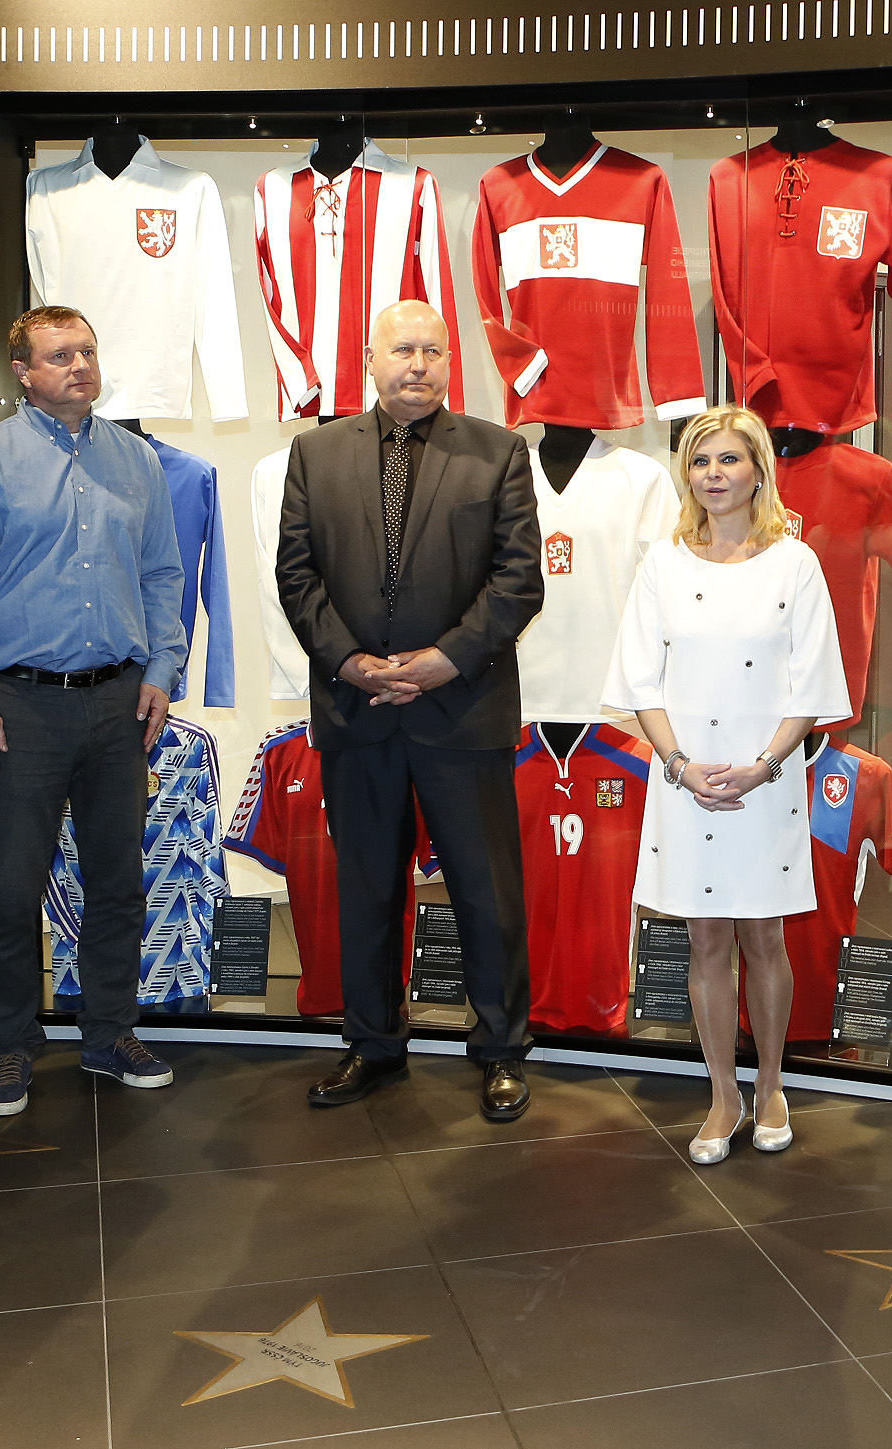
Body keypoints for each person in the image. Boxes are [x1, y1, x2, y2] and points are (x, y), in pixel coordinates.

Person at [277, 299, 544, 1121]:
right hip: (356, 709)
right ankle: (372, 1043)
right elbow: (296, 575)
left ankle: (500, 1050)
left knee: (485, 889)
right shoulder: (316, 453)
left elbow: (518, 580)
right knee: (365, 888)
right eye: (403, 350)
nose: (419, 364)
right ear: (371, 358)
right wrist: (351, 662)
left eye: (433, 350)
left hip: (462, 706)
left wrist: (443, 661)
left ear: (450, 360)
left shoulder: (498, 452)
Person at [0, 306, 186, 1117]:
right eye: (60, 355)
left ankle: (110, 1032)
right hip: (20, 708)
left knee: (118, 882)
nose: (80, 366)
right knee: (9, 889)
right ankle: (9, 1046)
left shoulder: (137, 460)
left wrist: (163, 667)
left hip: (120, 701)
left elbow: (163, 574)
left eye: (87, 351)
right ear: (23, 373)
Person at [604, 405, 848, 1164]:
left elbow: (812, 682)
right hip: (684, 778)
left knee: (765, 935)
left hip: (766, 780)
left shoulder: (794, 562)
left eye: (728, 458)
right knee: (705, 937)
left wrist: (765, 764)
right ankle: (721, 1094)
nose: (714, 474)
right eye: (700, 460)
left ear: (758, 470)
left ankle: (771, 1085)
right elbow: (640, 681)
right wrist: (679, 765)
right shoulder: (663, 563)